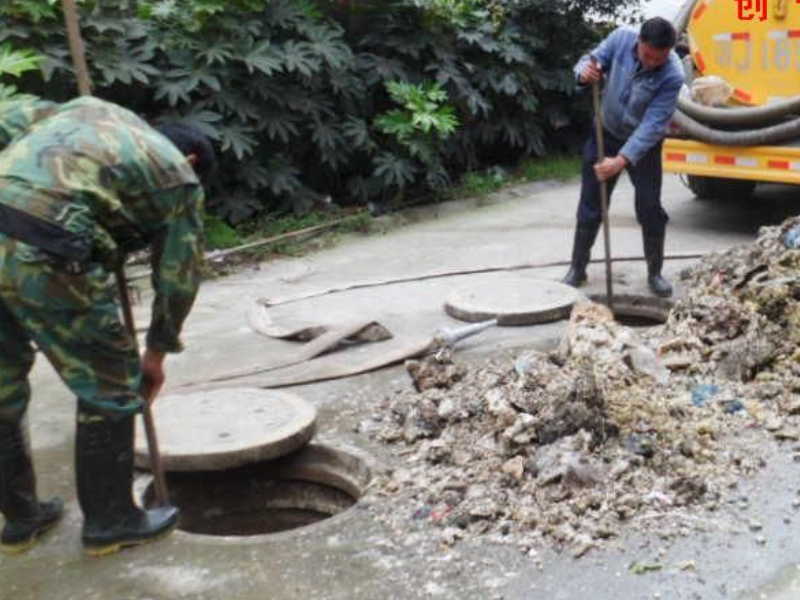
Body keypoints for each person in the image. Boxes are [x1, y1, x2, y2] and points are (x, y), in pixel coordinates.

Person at [0, 95, 215, 556]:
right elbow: (178, 278)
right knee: (112, 383)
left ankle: (21, 520)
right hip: (42, 244)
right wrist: (155, 355)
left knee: (0, 384)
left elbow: (7, 119)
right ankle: (111, 521)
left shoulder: (84, 110)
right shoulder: (178, 173)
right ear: (192, 157)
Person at [562, 17, 684, 298]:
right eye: (648, 55)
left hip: (644, 146)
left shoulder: (673, 74)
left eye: (660, 58)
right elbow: (589, 60)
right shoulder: (620, 38)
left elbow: (653, 125)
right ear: (638, 42)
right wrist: (586, 72)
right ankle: (577, 268)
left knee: (649, 208)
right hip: (605, 133)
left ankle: (655, 273)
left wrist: (621, 160)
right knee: (591, 203)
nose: (653, 63)